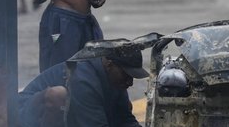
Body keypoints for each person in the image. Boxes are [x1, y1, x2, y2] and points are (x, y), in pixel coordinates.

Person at [15, 45, 147, 127]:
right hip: (23, 118)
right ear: (109, 64)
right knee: (58, 95)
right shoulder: (84, 79)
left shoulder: (115, 80)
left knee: (125, 105)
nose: (130, 82)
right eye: (126, 75)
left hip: (71, 117)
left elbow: (126, 120)